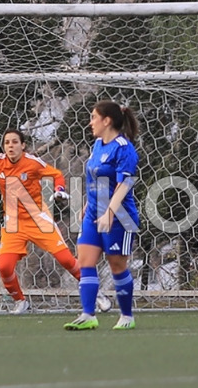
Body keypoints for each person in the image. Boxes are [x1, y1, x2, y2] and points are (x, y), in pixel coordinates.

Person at [0, 129, 111, 314]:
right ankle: (20, 301)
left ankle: (97, 294)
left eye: (14, 142)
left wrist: (59, 189)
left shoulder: (32, 163)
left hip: (39, 220)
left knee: (66, 260)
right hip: (13, 224)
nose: (10, 146)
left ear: (23, 145)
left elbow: (55, 174)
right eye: (7, 143)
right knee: (4, 267)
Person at [64, 101, 140, 331]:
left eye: (94, 117)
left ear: (107, 121)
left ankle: (127, 316)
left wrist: (109, 212)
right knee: (85, 261)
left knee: (117, 265)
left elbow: (125, 183)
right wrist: (88, 203)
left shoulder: (123, 148)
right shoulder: (98, 145)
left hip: (120, 216)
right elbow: (96, 177)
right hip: (94, 214)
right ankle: (88, 315)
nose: (90, 122)